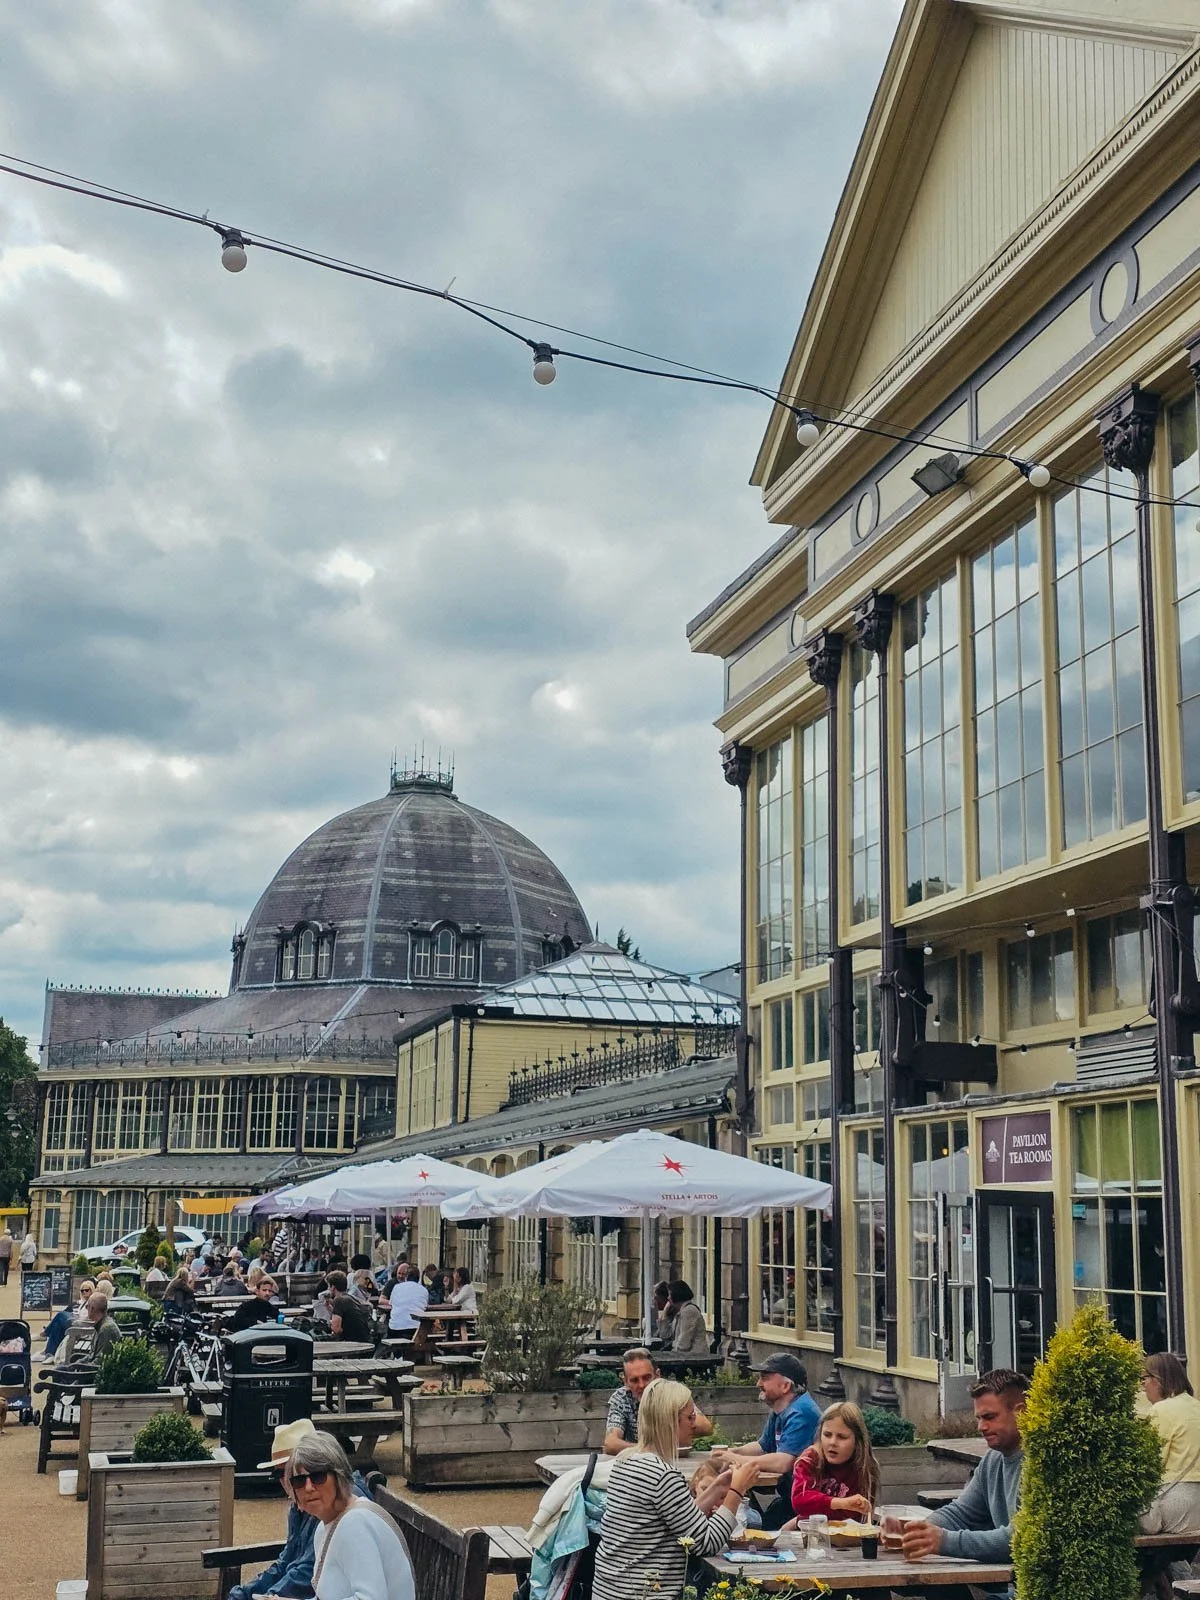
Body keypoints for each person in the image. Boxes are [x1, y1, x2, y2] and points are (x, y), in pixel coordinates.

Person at [593, 1377, 761, 1600]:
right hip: (642, 1595)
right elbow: (705, 1542)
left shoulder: (628, 1461)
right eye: (690, 1417)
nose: (695, 1423)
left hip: (610, 1591)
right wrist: (737, 1491)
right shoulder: (662, 1475)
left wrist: (718, 1487)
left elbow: (679, 1520)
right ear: (670, 1420)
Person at [900, 1368, 1028, 1563]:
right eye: (978, 1418)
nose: (981, 1427)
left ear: (1020, 1412)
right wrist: (919, 1531)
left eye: (990, 1417)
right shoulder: (992, 1461)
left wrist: (945, 1541)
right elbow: (959, 1513)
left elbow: (1021, 1538)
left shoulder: (1041, 1463)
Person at [287, 1430, 415, 1600]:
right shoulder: (325, 1526)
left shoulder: (354, 1524)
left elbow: (372, 1598)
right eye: (299, 1481)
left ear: (338, 1476)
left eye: (318, 1476)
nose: (308, 1487)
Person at [709, 1353, 821, 1529]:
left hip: (809, 1505)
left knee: (757, 1526)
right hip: (791, 1497)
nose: (758, 1384)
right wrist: (732, 1452)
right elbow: (763, 1446)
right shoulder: (781, 1408)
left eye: (765, 1378)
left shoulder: (801, 1412)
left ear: (785, 1386)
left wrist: (738, 1460)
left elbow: (783, 1462)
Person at [604, 1347, 714, 1454]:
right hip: (637, 1462)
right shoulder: (621, 1398)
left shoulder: (669, 1393)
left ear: (657, 1375)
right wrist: (648, 1450)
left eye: (646, 1378)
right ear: (625, 1382)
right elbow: (611, 1443)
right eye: (634, 1380)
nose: (641, 1385)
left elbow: (705, 1427)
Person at [788, 1400, 879, 1521]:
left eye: (842, 1437)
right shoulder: (810, 1459)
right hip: (810, 1530)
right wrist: (841, 1503)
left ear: (857, 1441)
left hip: (846, 1535)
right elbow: (799, 1500)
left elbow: (858, 1515)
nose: (832, 1442)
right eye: (827, 1435)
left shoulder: (864, 1467)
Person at [1141, 1352, 1200, 1532]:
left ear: (1158, 1380)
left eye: (1144, 1378)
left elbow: (1150, 1464)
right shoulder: (1196, 1406)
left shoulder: (1161, 1410)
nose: (1142, 1385)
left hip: (1176, 1504)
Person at [61, 1292, 122, 1365]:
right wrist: (77, 1364)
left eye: (87, 1306)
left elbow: (100, 1361)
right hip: (91, 1368)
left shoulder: (107, 1329)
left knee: (59, 1371)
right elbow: (91, 1355)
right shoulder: (100, 1324)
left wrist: (78, 1367)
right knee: (61, 1368)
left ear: (92, 1308)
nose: (86, 1309)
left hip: (96, 1373)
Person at [42, 1280, 96, 1358]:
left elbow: (88, 1317)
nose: (84, 1292)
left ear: (92, 1290)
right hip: (77, 1322)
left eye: (87, 1290)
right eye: (82, 1290)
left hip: (81, 1326)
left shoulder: (92, 1302)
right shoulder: (83, 1302)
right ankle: (50, 1353)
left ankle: (46, 1333)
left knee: (60, 1315)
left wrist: (75, 1317)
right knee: (57, 1326)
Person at [664, 1281, 710, 1356]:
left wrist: (673, 1353)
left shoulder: (689, 1311)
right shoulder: (680, 1311)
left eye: (669, 1294)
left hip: (694, 1356)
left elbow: (684, 1340)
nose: (668, 1297)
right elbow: (665, 1335)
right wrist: (664, 1313)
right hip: (684, 1355)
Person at [328, 1271, 374, 1343]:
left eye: (329, 1286)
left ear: (333, 1287)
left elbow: (336, 1329)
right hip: (365, 1340)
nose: (328, 1289)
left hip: (352, 1342)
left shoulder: (338, 1300)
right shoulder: (350, 1298)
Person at [386, 1263, 429, 1333]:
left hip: (395, 1328)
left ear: (406, 1277)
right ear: (419, 1277)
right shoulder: (424, 1290)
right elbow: (425, 1307)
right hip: (416, 1328)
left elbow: (391, 1304)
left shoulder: (397, 1287)